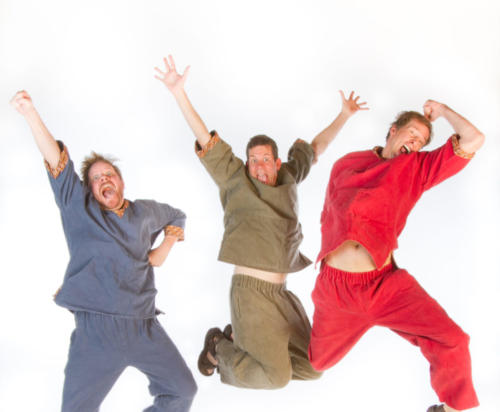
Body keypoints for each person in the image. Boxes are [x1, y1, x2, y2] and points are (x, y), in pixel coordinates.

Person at [155, 55, 367, 389]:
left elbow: (317, 147)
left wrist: (344, 114)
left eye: (265, 159)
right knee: (276, 378)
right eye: (253, 160)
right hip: (250, 292)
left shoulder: (289, 176)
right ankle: (219, 348)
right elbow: (206, 139)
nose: (258, 166)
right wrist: (179, 93)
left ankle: (239, 339)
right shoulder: (236, 180)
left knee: (314, 366)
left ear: (277, 162)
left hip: (281, 294)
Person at [10, 90, 197, 412]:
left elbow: (176, 216)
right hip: (97, 330)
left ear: (121, 182)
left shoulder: (145, 211)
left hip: (144, 325)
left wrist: (164, 248)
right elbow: (56, 160)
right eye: (96, 178)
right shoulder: (79, 208)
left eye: (109, 174)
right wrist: (29, 113)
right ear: (90, 189)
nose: (103, 179)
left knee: (182, 391)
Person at [308, 99, 484, 411]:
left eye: (421, 141)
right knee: (317, 363)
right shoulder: (347, 164)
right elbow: (327, 217)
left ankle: (450, 409)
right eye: (412, 133)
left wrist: (443, 111)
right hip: (336, 291)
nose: (415, 143)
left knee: (454, 340)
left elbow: (473, 139)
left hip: (384, 288)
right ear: (393, 131)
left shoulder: (416, 169)